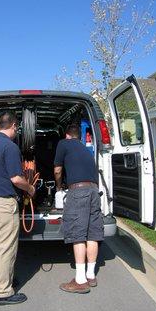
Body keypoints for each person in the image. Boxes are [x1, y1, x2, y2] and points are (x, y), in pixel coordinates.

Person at [0, 111, 35, 305]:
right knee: (6, 247)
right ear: (13, 126)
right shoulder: (9, 147)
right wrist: (30, 188)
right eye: (17, 127)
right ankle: (3, 293)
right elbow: (16, 178)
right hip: (3, 203)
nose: (17, 130)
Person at [54, 123, 104, 293]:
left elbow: (58, 170)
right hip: (94, 191)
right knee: (93, 233)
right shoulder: (85, 149)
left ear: (67, 135)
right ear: (78, 136)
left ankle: (80, 280)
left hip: (79, 192)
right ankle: (91, 275)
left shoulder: (63, 144)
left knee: (78, 234)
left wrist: (59, 186)